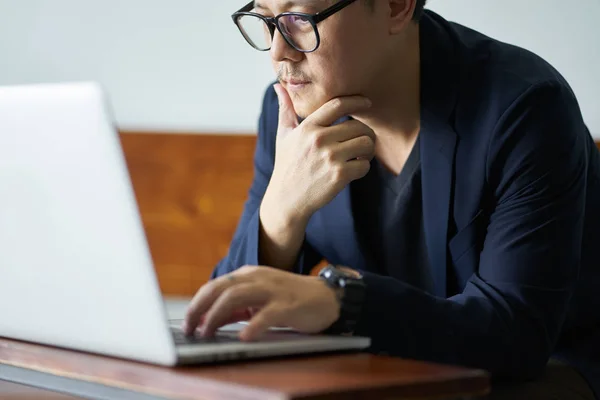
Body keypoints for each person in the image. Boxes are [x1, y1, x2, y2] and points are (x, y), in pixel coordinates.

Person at [183, 0, 600, 398]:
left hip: (545, 376)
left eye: (299, 19)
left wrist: (343, 302)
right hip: (382, 374)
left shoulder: (523, 108)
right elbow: (223, 313)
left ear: (396, 6)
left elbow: (517, 336)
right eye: (266, 20)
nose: (278, 52)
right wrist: (281, 209)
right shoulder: (289, 114)